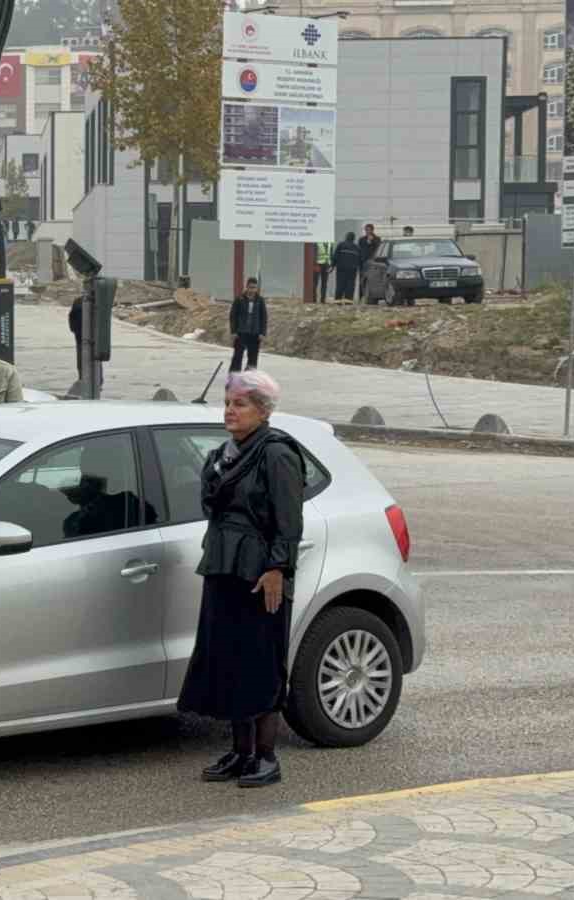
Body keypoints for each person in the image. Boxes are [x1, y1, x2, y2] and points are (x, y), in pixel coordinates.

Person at [177, 370, 305, 789]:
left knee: (260, 661)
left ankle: (267, 757)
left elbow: (288, 521)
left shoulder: (276, 453)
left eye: (240, 404)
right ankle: (241, 751)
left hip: (259, 572)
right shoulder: (224, 452)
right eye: (228, 402)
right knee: (229, 657)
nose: (230, 411)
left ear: (262, 411)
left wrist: (276, 570)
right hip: (223, 565)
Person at [229, 278, 267, 372]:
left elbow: (264, 317)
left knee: (253, 357)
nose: (252, 290)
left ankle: (249, 378)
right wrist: (233, 331)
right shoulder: (239, 299)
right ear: (246, 287)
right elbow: (233, 316)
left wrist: (262, 332)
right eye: (250, 287)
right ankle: (234, 376)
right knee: (237, 356)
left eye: (254, 288)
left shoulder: (260, 300)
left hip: (255, 333)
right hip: (241, 332)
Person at [69, 293, 103, 393]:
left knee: (82, 359)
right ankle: (97, 381)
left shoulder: (78, 301)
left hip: (81, 337)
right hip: (93, 336)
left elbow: (71, 320)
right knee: (96, 359)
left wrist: (76, 331)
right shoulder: (98, 301)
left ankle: (84, 379)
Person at [332, 232, 361, 302]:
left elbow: (335, 257)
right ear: (354, 239)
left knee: (340, 283)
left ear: (346, 237)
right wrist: (360, 268)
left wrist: (332, 266)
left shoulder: (341, 245)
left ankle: (338, 300)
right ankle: (348, 300)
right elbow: (360, 260)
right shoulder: (357, 248)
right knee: (350, 284)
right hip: (352, 270)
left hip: (341, 269)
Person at [357, 225, 381, 297]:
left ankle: (372, 295)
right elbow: (359, 250)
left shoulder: (377, 239)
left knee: (372, 278)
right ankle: (361, 296)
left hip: (373, 262)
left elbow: (378, 248)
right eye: (366, 230)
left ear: (372, 230)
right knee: (362, 279)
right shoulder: (361, 239)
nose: (367, 231)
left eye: (369, 230)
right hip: (363, 262)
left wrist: (372, 240)